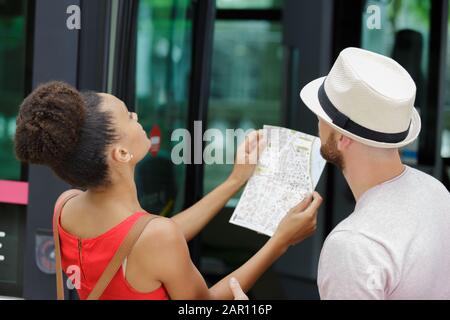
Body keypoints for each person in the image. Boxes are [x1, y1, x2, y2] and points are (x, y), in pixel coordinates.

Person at [14, 81, 323, 300]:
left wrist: (233, 181)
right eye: (128, 116)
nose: (137, 117)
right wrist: (280, 242)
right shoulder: (156, 238)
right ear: (121, 154)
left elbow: (143, 240)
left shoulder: (65, 207)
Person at [299, 47, 450, 299]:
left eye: (324, 114)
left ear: (343, 137)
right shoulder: (435, 191)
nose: (317, 118)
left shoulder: (352, 245)